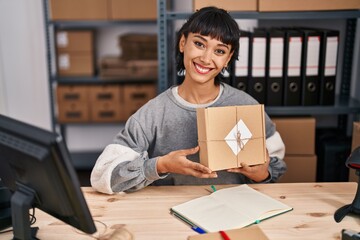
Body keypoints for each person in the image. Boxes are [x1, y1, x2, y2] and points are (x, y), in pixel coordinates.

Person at [91, 6, 286, 194]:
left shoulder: (246, 106)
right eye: (199, 44)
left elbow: (275, 167)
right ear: (183, 43)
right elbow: (103, 176)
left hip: (235, 212)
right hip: (172, 213)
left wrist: (262, 174)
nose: (206, 58)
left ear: (228, 58)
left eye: (219, 51)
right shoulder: (154, 113)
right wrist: (160, 165)